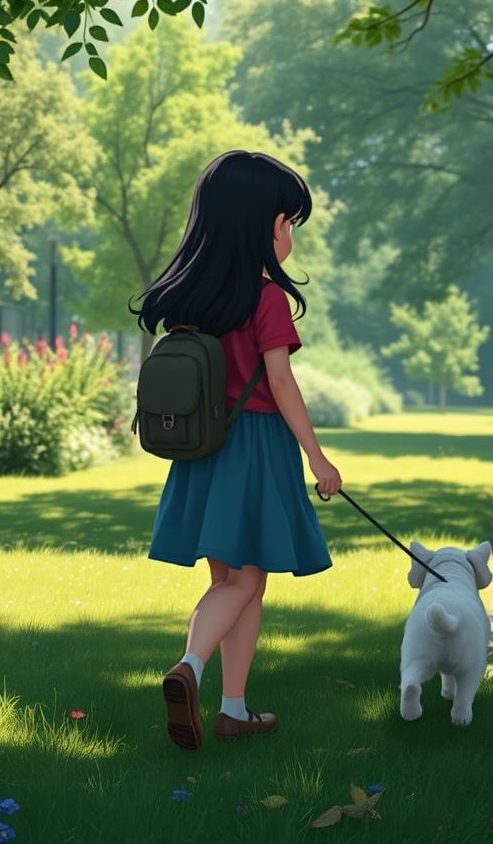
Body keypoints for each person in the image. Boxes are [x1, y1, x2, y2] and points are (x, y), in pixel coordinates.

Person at [129, 150, 342, 750]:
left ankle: (234, 709)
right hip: (254, 448)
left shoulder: (189, 299)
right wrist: (317, 457)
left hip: (204, 448)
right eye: (287, 221)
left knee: (238, 578)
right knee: (247, 580)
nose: (290, 234)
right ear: (260, 225)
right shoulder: (265, 298)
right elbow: (280, 382)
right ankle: (189, 668)